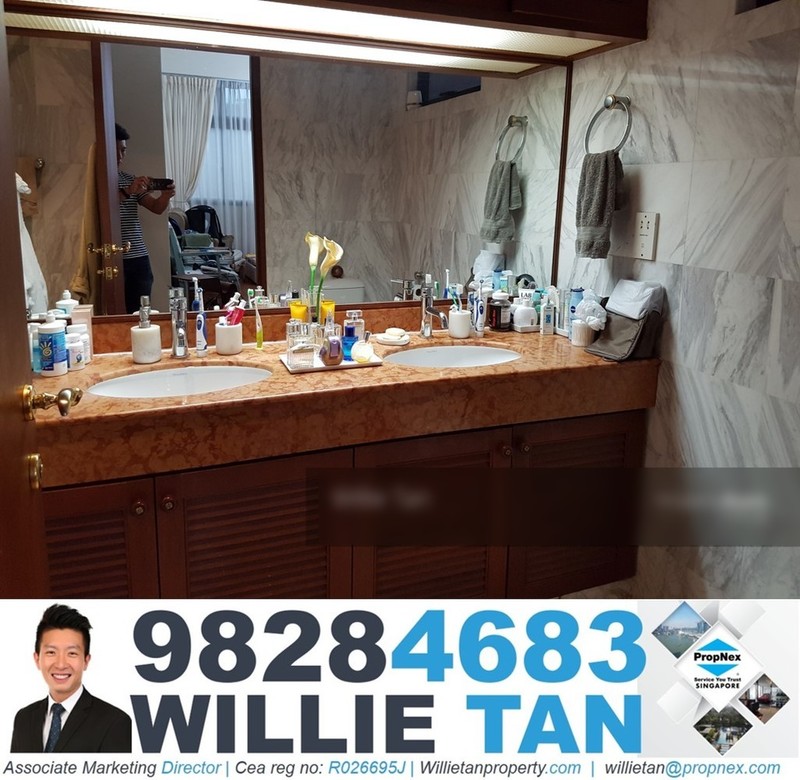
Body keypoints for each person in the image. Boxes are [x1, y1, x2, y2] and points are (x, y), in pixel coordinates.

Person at [10, 603, 132, 753]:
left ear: (86, 661)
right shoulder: (24, 718)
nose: (61, 664)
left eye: (72, 653)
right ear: (37, 659)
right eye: (51, 652)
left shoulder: (115, 722)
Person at [116, 122, 176, 313]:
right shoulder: (99, 182)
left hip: (138, 256)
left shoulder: (129, 179)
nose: (120, 156)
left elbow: (156, 208)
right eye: (115, 150)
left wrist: (165, 196)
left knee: (141, 311)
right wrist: (127, 191)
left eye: (123, 150)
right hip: (113, 258)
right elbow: (104, 207)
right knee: (116, 312)